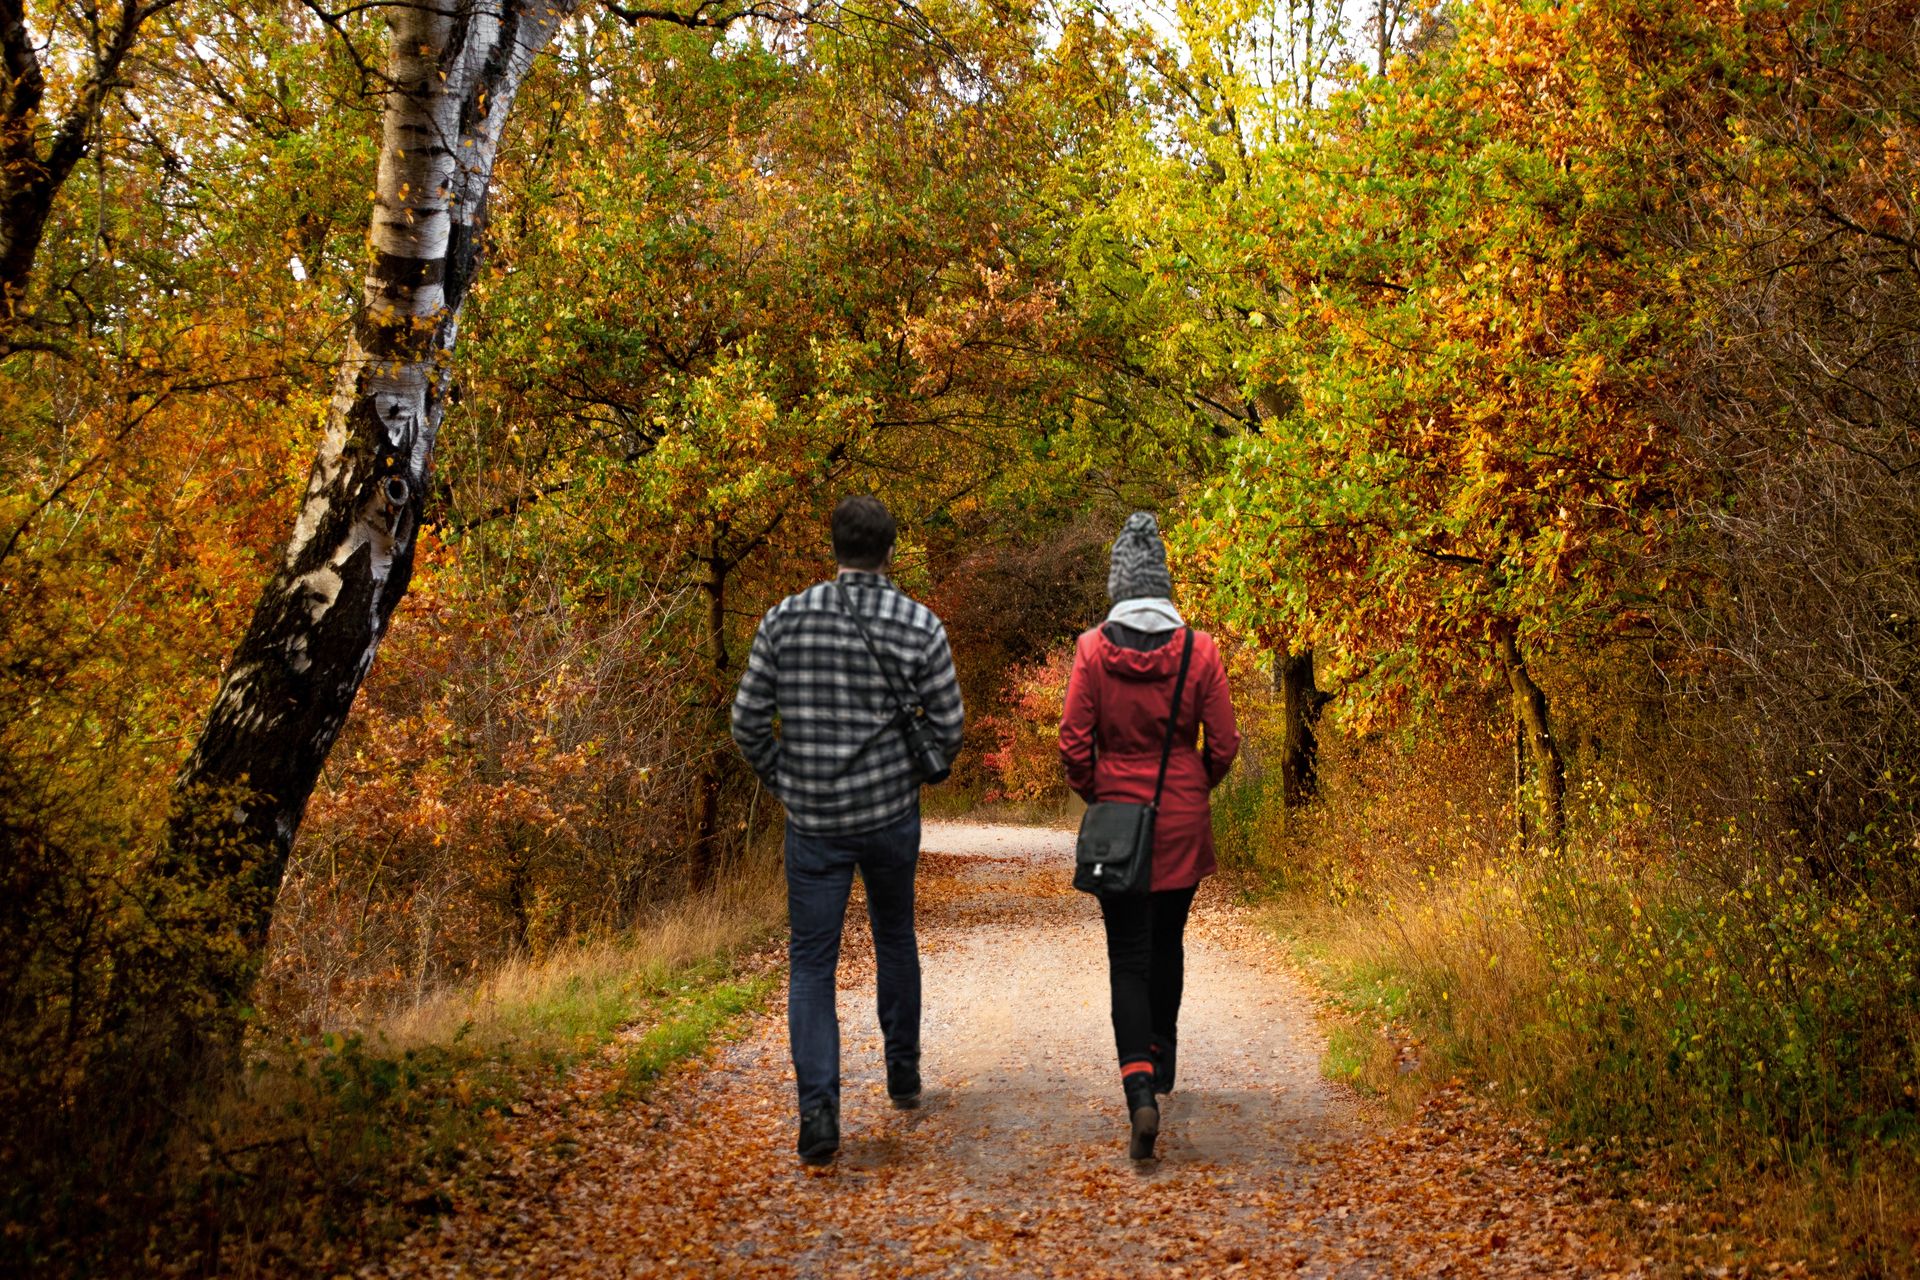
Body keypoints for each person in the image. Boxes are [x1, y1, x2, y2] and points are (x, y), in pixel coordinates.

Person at [730, 495, 965, 1167]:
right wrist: (901, 776)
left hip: (813, 823)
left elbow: (747, 723)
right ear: (890, 551)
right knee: (895, 935)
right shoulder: (919, 625)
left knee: (812, 962)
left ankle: (819, 1111)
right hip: (889, 816)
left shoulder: (785, 619)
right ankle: (903, 1073)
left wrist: (787, 781)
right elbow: (949, 728)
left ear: (833, 547)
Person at [1058, 511, 1241, 1159]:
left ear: (1118, 585)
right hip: (1181, 820)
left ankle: (1139, 1088)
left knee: (1127, 956)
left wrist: (1103, 796)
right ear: (1163, 583)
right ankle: (1161, 1056)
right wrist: (1194, 786)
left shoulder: (1091, 651)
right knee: (1167, 942)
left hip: (1118, 825)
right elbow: (1224, 743)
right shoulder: (1200, 651)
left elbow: (1073, 745)